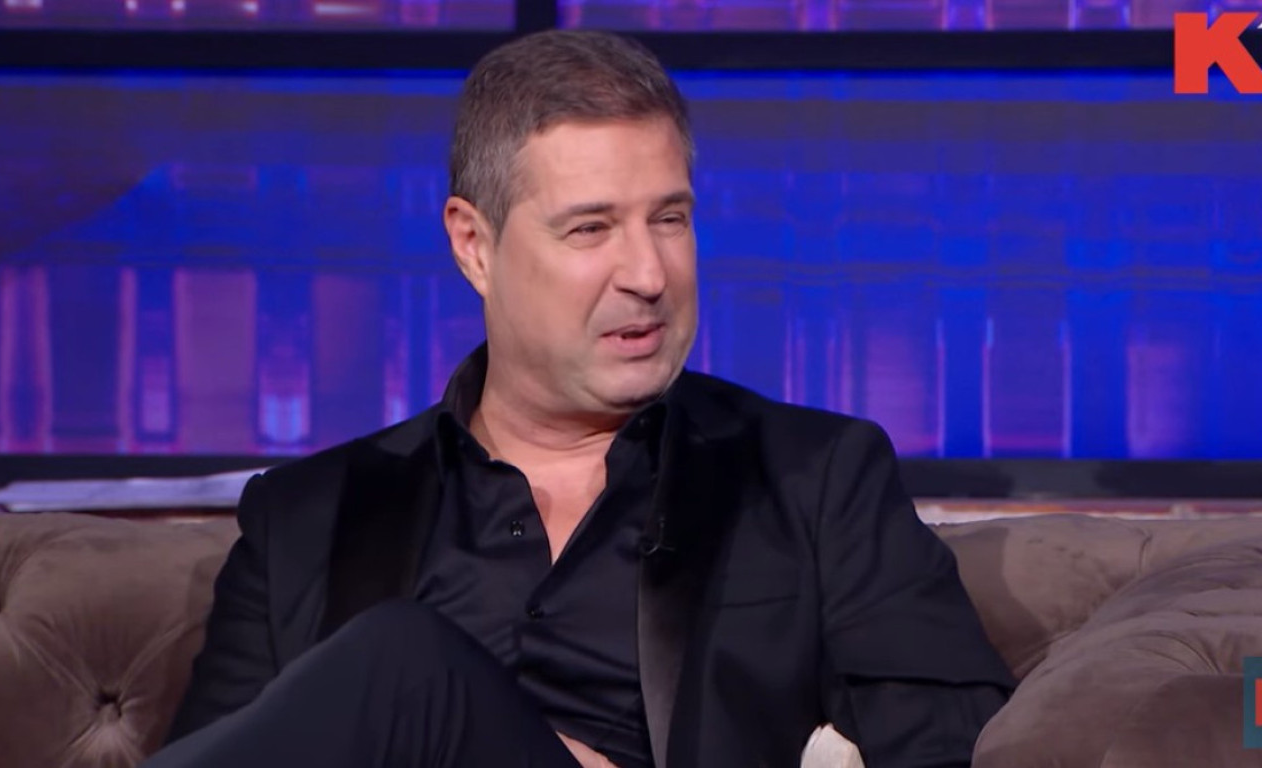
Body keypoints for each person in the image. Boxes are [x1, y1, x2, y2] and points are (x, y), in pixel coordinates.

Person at [147, 29, 1014, 768]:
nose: (648, 274)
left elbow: (951, 752)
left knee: (401, 659)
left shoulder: (816, 480)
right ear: (473, 245)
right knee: (399, 666)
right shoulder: (305, 518)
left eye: (670, 219)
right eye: (591, 228)